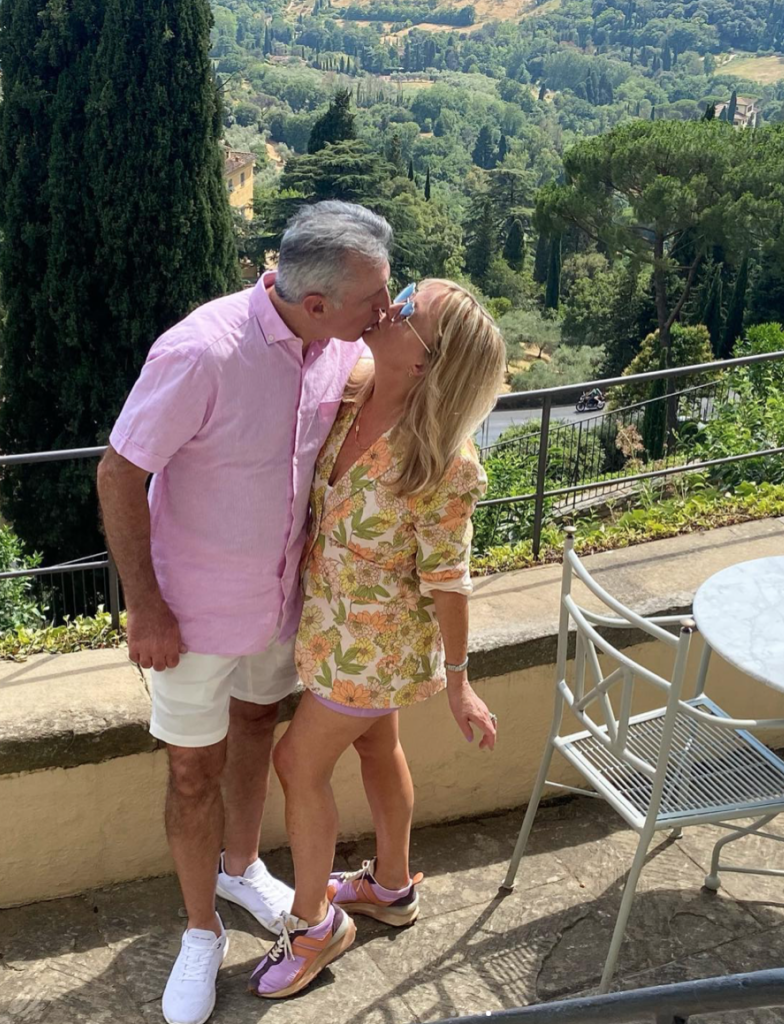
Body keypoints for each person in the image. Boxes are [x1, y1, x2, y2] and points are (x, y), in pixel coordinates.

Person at [97, 201, 394, 1024]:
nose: (387, 308)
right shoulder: (201, 351)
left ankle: (238, 866)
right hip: (187, 617)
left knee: (258, 726)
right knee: (191, 772)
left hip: (279, 605)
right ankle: (200, 933)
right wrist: (145, 608)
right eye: (377, 296)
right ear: (317, 303)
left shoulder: (336, 348)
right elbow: (119, 474)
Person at [247, 279, 505, 1000]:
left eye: (411, 302)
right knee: (374, 745)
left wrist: (459, 680)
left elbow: (450, 579)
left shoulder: (444, 460)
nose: (395, 300)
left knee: (296, 764)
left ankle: (314, 924)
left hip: (375, 651)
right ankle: (391, 888)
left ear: (425, 359)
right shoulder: (359, 388)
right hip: (335, 630)